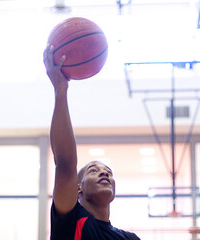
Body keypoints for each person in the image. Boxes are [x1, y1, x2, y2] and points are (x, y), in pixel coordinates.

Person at [43, 44, 140, 240]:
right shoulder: (70, 220)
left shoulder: (130, 239)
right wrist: (60, 91)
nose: (104, 172)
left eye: (108, 172)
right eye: (93, 171)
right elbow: (65, 163)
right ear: (78, 187)